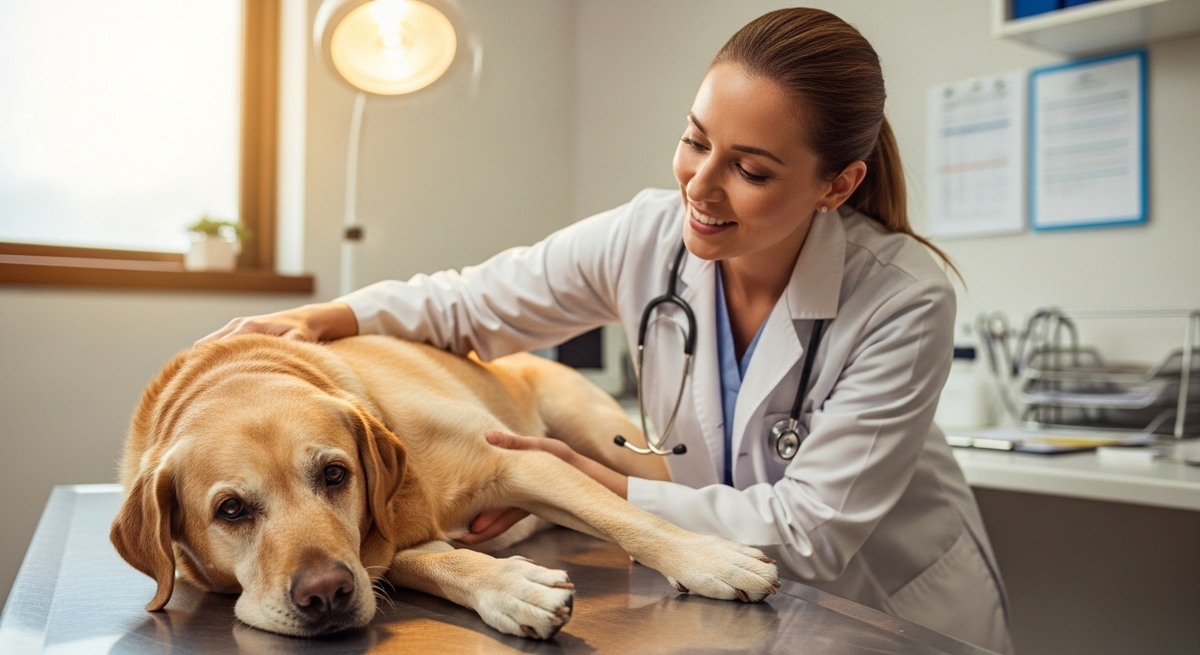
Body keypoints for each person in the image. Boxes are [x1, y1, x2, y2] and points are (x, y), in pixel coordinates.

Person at [201, 8, 1013, 653]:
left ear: (837, 183)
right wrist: (326, 317)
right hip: (735, 594)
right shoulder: (647, 236)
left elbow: (810, 531)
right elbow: (470, 304)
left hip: (891, 609)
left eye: (751, 169)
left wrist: (596, 483)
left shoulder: (903, 298)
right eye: (696, 140)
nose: (702, 182)